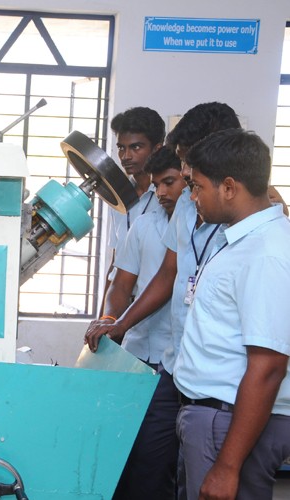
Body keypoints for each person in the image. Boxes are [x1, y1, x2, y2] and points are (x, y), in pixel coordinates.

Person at [85, 102, 241, 499]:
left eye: (183, 172)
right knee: (151, 468)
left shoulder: (252, 216)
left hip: (222, 385)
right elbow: (165, 277)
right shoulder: (183, 211)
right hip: (173, 367)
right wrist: (116, 323)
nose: (182, 181)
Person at [173, 128, 290, 499]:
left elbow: (269, 364)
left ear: (228, 187)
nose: (192, 197)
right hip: (214, 418)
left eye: (198, 187)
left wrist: (227, 467)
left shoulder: (266, 253)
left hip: (227, 424)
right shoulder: (239, 240)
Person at [87, 146, 186, 499]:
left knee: (153, 464)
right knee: (119, 454)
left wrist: (122, 323)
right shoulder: (145, 224)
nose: (161, 193)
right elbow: (122, 283)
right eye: (158, 185)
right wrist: (111, 318)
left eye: (170, 183)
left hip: (172, 363)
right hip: (134, 357)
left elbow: (168, 280)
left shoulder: (204, 229)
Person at [102, 107, 165, 305]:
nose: (126, 156)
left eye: (135, 147)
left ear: (157, 148)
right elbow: (115, 261)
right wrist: (102, 316)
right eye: (121, 148)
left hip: (153, 306)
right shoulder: (118, 195)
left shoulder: (169, 198)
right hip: (119, 301)